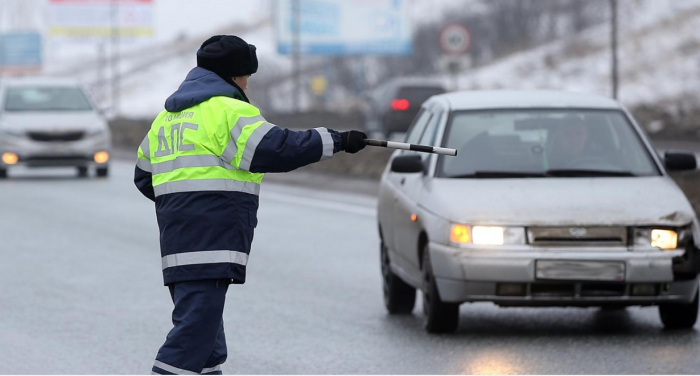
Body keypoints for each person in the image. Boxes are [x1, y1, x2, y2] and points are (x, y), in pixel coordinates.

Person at [133, 35, 367, 375]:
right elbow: (276, 148)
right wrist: (337, 140)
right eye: (246, 76)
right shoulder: (228, 111)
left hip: (179, 242)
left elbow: (144, 177)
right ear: (234, 75)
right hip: (212, 240)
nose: (247, 83)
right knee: (193, 336)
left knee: (208, 344)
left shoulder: (166, 119)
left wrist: (181, 203)